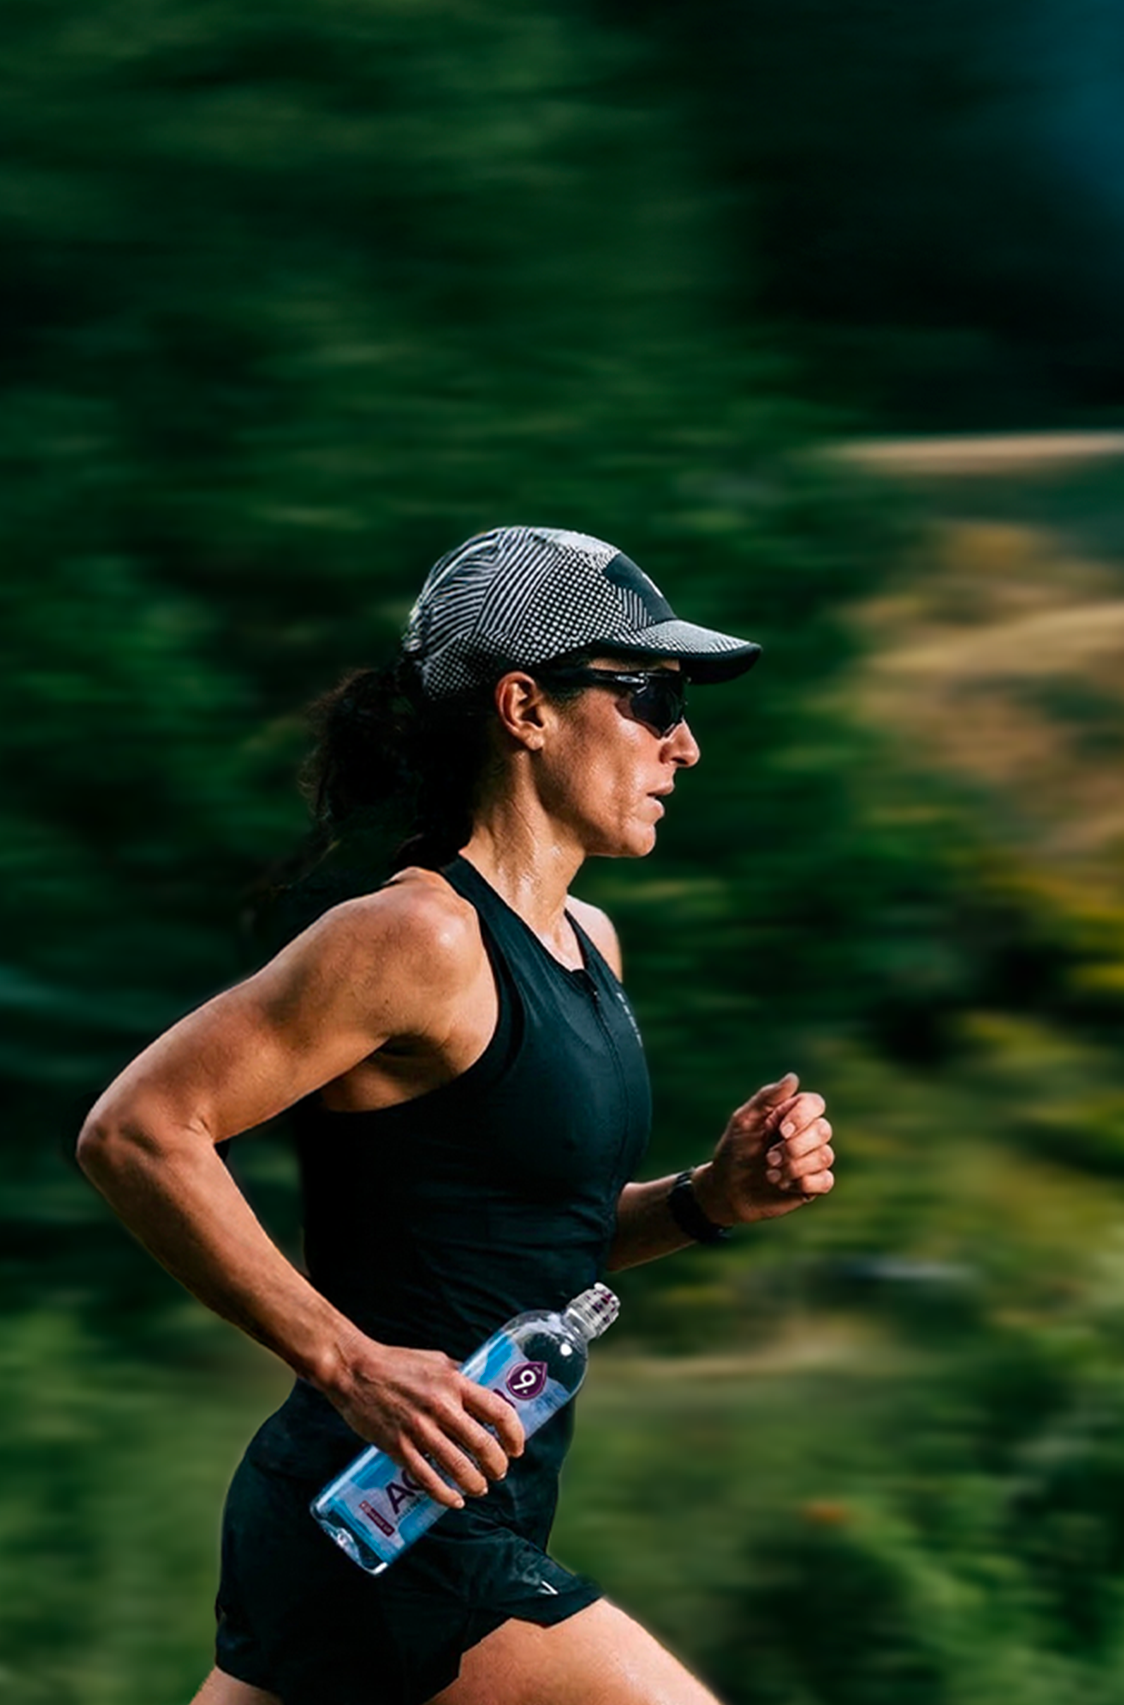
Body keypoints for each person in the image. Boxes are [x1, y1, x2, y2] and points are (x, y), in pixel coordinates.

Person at [77, 525, 836, 1705]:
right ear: (524, 708)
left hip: (429, 1512)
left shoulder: (588, 944)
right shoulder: (414, 938)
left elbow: (522, 1239)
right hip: (392, 1523)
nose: (682, 742)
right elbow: (137, 1131)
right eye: (649, 695)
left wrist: (707, 1200)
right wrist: (347, 1361)